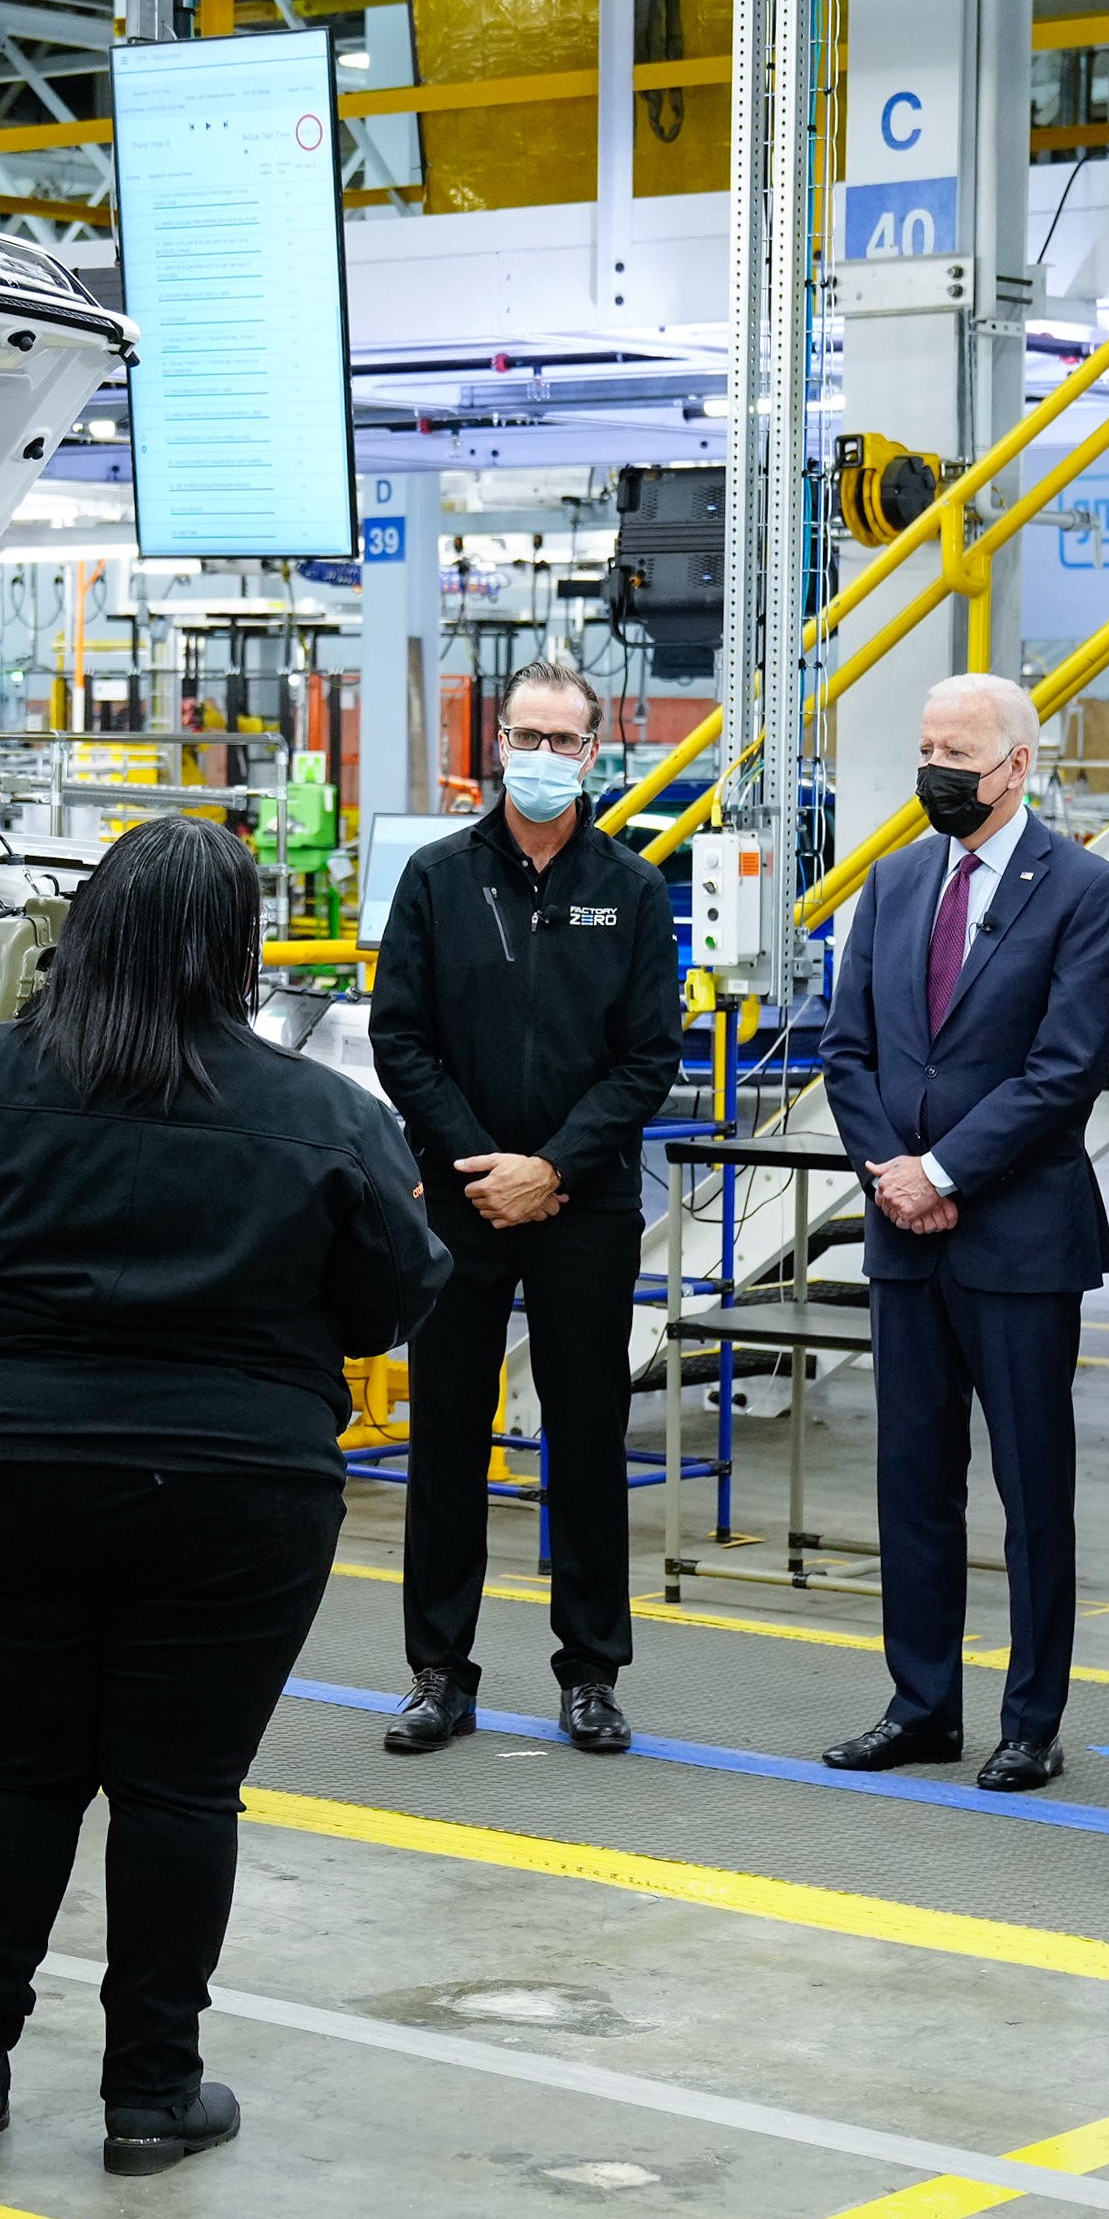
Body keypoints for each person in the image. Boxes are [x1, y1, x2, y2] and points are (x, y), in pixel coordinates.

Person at [0, 817, 445, 2175]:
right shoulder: (326, 1117)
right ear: (238, 951)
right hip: (237, 1494)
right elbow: (385, 1308)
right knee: (180, 1789)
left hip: (8, 1475)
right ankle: (151, 2093)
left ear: (82, 937)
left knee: (15, 1766)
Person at [816, 673, 1109, 1793]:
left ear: (1018, 764)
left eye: (959, 751)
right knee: (912, 1478)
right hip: (906, 1235)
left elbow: (1065, 1068)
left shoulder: (1083, 890)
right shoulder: (894, 883)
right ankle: (920, 1704)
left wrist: (946, 1168)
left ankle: (1030, 1719)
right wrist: (894, 1178)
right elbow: (845, 1050)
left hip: (1019, 1237)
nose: (936, 769)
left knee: (1030, 1486)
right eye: (926, 746)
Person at [368, 660, 684, 1756]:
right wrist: (477, 1162)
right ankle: (436, 1672)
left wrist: (550, 1165)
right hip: (460, 1202)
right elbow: (398, 1036)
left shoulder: (633, 890)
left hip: (584, 1202)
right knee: (445, 1435)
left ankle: (590, 1673)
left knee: (587, 1434)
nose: (542, 755)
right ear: (495, 741)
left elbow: (648, 1059)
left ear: (595, 752)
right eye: (525, 733)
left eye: (564, 737)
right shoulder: (437, 879)